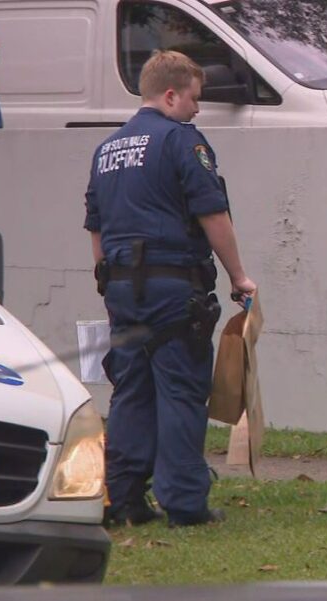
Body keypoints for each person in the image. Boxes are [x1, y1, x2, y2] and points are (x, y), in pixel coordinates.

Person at [84, 50, 256, 527]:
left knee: (131, 390)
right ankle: (184, 502)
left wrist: (108, 280)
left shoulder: (107, 150)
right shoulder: (182, 142)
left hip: (121, 288)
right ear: (171, 94)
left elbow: (95, 227)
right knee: (180, 391)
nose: (198, 110)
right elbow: (212, 213)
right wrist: (239, 275)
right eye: (195, 100)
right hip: (172, 287)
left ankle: (124, 499)